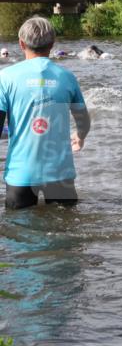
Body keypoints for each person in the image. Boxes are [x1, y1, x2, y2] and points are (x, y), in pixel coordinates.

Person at [0, 16, 91, 209]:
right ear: (52, 44)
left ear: (21, 43)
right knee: (65, 230)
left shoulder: (5, 77)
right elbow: (83, 120)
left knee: (18, 232)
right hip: (60, 173)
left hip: (21, 173)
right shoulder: (66, 76)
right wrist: (80, 136)